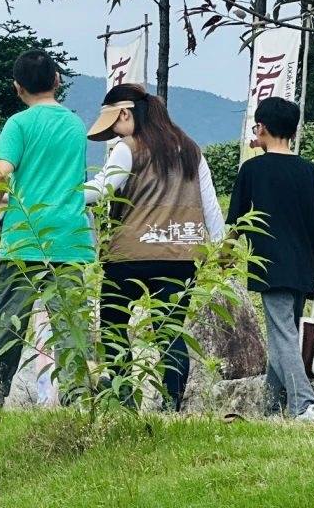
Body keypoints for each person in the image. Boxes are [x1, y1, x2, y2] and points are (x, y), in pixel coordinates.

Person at [84, 84, 225, 409]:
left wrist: (57, 195)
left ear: (124, 113)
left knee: (114, 324)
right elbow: (210, 204)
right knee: (170, 330)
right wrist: (219, 248)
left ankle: (125, 398)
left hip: (131, 255)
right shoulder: (190, 149)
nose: (114, 134)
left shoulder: (129, 147)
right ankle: (171, 405)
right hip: (181, 255)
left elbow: (103, 188)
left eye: (114, 125)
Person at [0, 49, 94, 406]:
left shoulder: (18, 124)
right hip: (69, 237)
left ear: (17, 87)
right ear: (57, 80)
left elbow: (0, 173)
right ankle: (79, 400)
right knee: (70, 325)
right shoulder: (75, 125)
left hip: (25, 237)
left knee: (6, 323)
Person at [228, 96, 314, 421]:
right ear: (292, 131)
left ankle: (304, 405)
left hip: (270, 266)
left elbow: (238, 221)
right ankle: (271, 408)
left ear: (262, 128)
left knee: (283, 336)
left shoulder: (252, 170)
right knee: (285, 333)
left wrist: (223, 255)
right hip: (304, 266)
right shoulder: (307, 170)